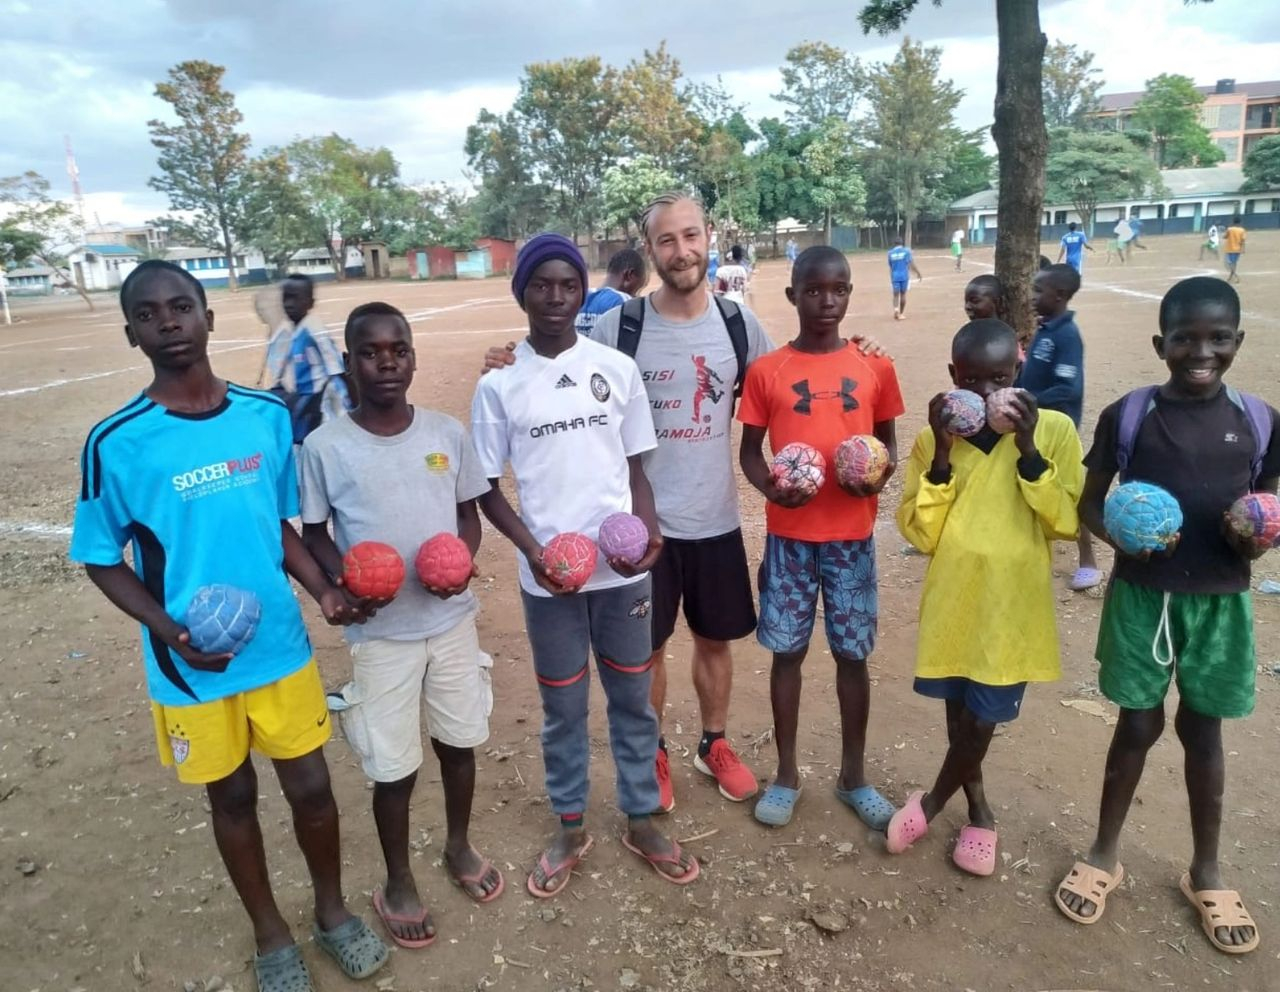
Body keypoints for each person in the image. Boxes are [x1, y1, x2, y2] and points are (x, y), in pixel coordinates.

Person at [482, 194, 885, 815]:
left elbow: (793, 368)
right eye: (666, 240)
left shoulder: (738, 324)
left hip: (713, 516)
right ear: (650, 249)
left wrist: (857, 348)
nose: (681, 251)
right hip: (635, 527)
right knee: (647, 649)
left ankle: (713, 743)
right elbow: (557, 357)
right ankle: (656, 752)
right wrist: (507, 355)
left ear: (709, 237)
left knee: (715, 639)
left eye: (690, 235)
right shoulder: (621, 326)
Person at [70, 260, 388, 991]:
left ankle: (332, 912)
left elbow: (278, 526)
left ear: (208, 317)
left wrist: (323, 591)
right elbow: (100, 558)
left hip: (278, 649)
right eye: (148, 314)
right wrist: (168, 631)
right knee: (233, 798)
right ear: (132, 334)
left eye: (182, 306)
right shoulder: (116, 442)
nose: (169, 322)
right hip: (191, 666)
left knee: (312, 789)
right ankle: (270, 935)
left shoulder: (263, 416)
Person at [471, 233, 700, 896]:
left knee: (633, 700)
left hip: (622, 575)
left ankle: (642, 818)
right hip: (550, 583)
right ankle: (570, 826)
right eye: (541, 285)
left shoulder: (615, 369)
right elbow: (486, 486)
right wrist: (533, 552)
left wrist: (649, 533)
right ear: (521, 292)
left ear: (582, 291)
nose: (555, 297)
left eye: (567, 285)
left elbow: (635, 469)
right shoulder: (499, 383)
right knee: (563, 708)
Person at [1055, 277, 1277, 956]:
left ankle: (1206, 871)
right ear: (1162, 344)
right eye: (1185, 338)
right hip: (1142, 599)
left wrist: (1253, 537)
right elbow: (1089, 503)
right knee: (1136, 725)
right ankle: (1103, 853)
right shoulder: (1130, 415)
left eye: (1218, 338)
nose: (1201, 351)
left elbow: (1265, 513)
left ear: (1237, 341)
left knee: (1203, 732)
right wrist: (1123, 540)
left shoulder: (1261, 420)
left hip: (1220, 602)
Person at [299, 302, 502, 949]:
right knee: (394, 768)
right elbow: (314, 532)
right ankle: (398, 880)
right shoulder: (326, 447)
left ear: (413, 357)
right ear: (349, 363)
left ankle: (459, 844)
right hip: (381, 634)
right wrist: (346, 579)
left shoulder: (445, 433)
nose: (386, 362)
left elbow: (468, 514)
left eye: (399, 350)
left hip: (450, 623)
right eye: (370, 352)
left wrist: (462, 560)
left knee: (459, 745)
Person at [891, 319, 1082, 874]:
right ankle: (978, 811)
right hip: (954, 602)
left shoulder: (1053, 430)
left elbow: (1065, 522)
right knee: (960, 718)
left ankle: (932, 803)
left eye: (999, 379)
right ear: (953, 376)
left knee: (982, 721)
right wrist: (942, 453)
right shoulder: (934, 437)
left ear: (1017, 371)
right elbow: (922, 534)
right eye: (970, 380)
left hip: (1012, 608)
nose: (985, 392)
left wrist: (1029, 450)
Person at [738, 246, 904, 830]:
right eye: (813, 290)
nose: (826, 301)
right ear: (793, 296)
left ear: (850, 293)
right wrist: (771, 488)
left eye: (838, 289)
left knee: (852, 655)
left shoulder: (874, 366)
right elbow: (749, 452)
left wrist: (877, 475)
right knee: (787, 653)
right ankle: (785, 774)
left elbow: (887, 444)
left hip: (851, 538)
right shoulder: (769, 371)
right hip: (790, 538)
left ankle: (853, 775)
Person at [1017, 264, 1100, 591]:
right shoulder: (1046, 328)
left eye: (1039, 291)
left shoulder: (1067, 335)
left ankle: (1088, 560)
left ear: (1060, 295)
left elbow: (1068, 388)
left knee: (1070, 489)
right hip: (1034, 422)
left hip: (1057, 426)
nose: (1032, 296)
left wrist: (1027, 399)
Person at [265, 273, 352, 446]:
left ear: (310, 303)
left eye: (295, 298)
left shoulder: (315, 330)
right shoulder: (288, 330)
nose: (289, 304)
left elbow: (337, 369)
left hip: (323, 399)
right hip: (302, 398)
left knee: (325, 443)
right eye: (286, 298)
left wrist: (354, 405)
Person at [576, 248, 648, 336]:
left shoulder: (581, 297)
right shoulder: (623, 302)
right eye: (637, 289)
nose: (635, 295)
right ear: (629, 275)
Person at [887, 237, 923, 321]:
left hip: (895, 276)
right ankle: (901, 313)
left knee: (895, 294)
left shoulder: (890, 253)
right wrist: (918, 273)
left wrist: (891, 277)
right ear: (902, 243)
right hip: (904, 276)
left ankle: (896, 310)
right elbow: (911, 264)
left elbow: (891, 267)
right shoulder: (906, 252)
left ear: (894, 244)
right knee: (903, 294)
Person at [1223, 216, 1246, 283]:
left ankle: (1236, 277)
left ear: (1233, 222)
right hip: (1238, 249)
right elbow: (1243, 240)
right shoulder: (1242, 230)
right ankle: (1231, 277)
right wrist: (1243, 249)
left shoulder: (1229, 229)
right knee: (1234, 263)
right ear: (1240, 222)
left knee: (1229, 264)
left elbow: (1225, 236)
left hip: (1230, 249)